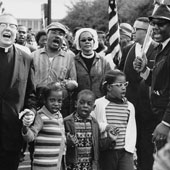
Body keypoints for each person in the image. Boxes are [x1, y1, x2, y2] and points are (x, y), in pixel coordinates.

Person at [0, 13, 36, 170]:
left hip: (11, 133)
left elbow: (31, 95)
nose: (8, 29)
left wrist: (30, 111)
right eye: (3, 25)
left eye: (12, 26)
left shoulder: (26, 58)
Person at [133, 4, 170, 151]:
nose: (155, 27)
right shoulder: (160, 48)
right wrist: (144, 71)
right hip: (158, 116)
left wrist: (166, 123)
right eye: (153, 23)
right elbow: (161, 84)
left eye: (161, 24)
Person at [92, 70, 136, 170]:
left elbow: (132, 130)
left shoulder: (129, 106)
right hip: (107, 150)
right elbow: (92, 124)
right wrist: (106, 127)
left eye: (125, 84)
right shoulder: (99, 104)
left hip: (125, 152)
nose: (124, 88)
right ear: (109, 87)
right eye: (119, 85)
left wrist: (133, 150)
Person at [32, 22, 77, 118]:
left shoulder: (70, 57)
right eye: (54, 32)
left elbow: (73, 82)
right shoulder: (34, 55)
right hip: (36, 103)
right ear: (47, 35)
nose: (57, 36)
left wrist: (68, 84)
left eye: (61, 34)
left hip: (58, 107)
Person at [64, 89, 118, 170]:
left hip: (90, 166)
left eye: (89, 104)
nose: (85, 106)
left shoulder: (95, 124)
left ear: (93, 107)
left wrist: (110, 139)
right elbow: (59, 143)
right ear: (76, 104)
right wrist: (67, 141)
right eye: (81, 103)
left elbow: (98, 145)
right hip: (72, 166)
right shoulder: (67, 122)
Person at [22, 82, 65, 170]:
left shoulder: (59, 116)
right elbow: (31, 136)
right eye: (52, 100)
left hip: (55, 165)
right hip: (42, 166)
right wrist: (25, 128)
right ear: (45, 100)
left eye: (59, 101)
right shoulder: (41, 116)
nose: (56, 104)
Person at [73, 28, 113, 99]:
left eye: (89, 39)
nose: (87, 42)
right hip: (80, 102)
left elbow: (109, 82)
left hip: (99, 101)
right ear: (79, 43)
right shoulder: (73, 61)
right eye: (83, 40)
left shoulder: (103, 61)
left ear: (94, 41)